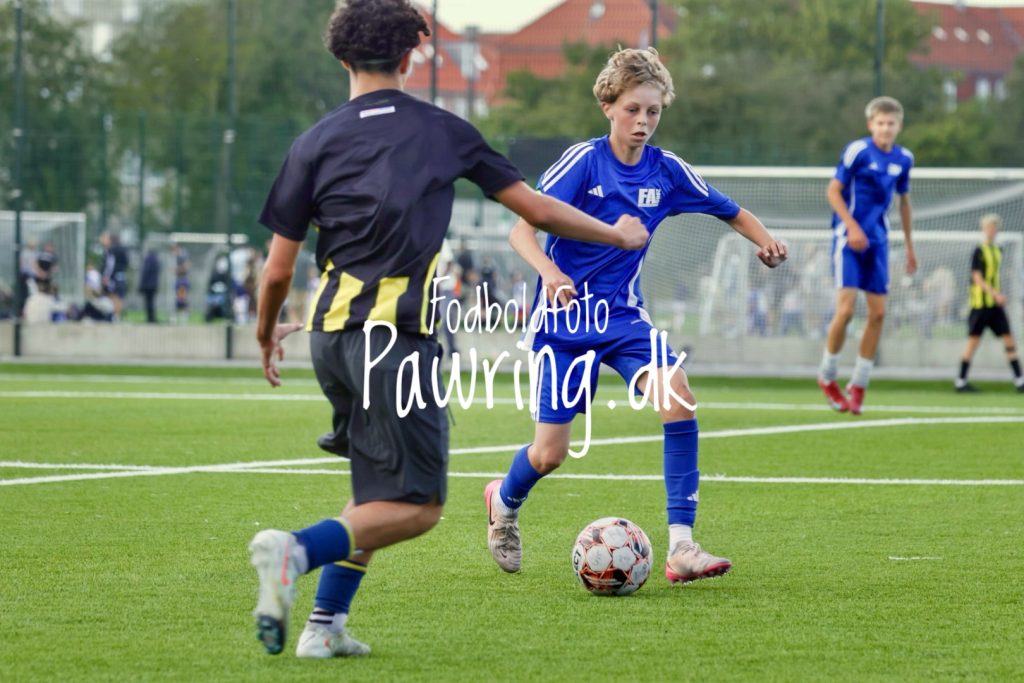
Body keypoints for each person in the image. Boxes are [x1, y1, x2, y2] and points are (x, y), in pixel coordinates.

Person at [248, 0, 648, 661]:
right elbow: (537, 210)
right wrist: (617, 232)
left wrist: (266, 334)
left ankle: (325, 624)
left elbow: (276, 270)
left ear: (341, 58)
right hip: (395, 342)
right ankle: (293, 551)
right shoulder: (441, 131)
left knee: (374, 491)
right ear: (412, 56)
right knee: (419, 506)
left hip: (329, 340)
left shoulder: (312, 142)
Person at [483, 47, 787, 585]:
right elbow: (520, 229)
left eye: (653, 111)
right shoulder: (583, 162)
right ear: (608, 106)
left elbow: (731, 211)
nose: (643, 121)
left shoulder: (667, 171)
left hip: (624, 319)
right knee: (549, 454)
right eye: (633, 110)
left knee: (678, 396)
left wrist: (766, 242)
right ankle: (503, 503)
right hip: (564, 323)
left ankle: (682, 546)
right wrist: (549, 273)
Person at [817, 96, 916, 415]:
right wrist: (852, 227)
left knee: (878, 315)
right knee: (846, 311)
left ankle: (859, 383)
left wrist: (910, 246)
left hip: (879, 242)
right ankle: (827, 376)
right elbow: (833, 191)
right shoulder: (857, 151)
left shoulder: (904, 159)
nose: (886, 128)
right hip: (848, 240)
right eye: (880, 123)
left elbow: (903, 202)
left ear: (899, 126)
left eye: (891, 123)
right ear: (871, 124)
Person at [955, 214, 1024, 393]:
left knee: (1009, 339)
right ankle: (961, 382)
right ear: (983, 229)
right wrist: (995, 294)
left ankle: (1020, 381)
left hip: (995, 307)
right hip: (980, 306)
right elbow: (977, 278)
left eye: (994, 227)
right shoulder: (978, 251)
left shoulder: (998, 250)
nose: (991, 230)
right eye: (988, 227)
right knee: (973, 342)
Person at [100, 232, 129, 320]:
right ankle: (117, 316)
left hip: (114, 276)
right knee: (119, 297)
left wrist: (106, 276)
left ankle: (115, 315)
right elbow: (126, 262)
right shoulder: (123, 249)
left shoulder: (111, 250)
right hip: (121, 275)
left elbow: (110, 265)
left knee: (114, 296)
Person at [138, 248, 161, 323]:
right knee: (152, 302)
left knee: (148, 302)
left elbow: (145, 272)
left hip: (147, 285)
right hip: (154, 284)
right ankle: (152, 317)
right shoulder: (157, 261)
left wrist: (141, 284)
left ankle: (149, 318)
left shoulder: (147, 260)